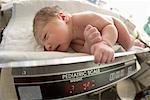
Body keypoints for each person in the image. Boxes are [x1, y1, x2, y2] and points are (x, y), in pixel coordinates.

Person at [33, 5, 135, 64]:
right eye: (45, 48)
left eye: (45, 36)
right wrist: (89, 45)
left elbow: (109, 26)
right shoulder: (72, 43)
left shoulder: (84, 18)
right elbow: (85, 51)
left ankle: (135, 39)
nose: (48, 47)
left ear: (63, 17)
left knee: (127, 44)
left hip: (115, 24)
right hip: (105, 38)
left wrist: (105, 44)